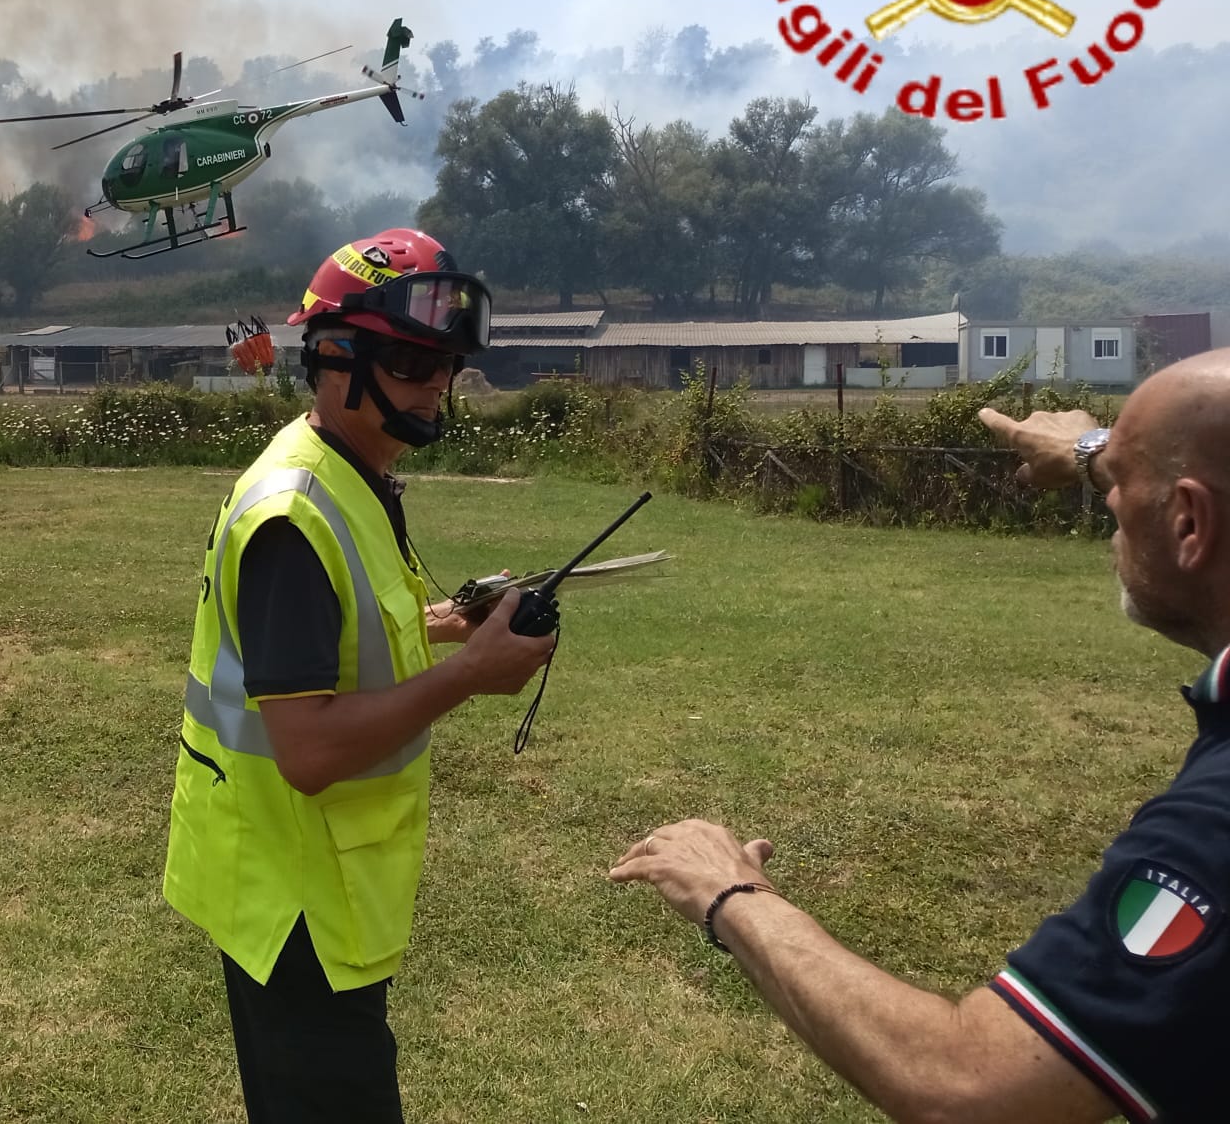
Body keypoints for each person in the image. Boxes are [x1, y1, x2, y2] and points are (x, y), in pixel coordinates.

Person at [610, 349, 1230, 1124]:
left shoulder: (1216, 826)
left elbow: (969, 1086)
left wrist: (728, 891)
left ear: (1189, 522)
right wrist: (1086, 449)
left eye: (1118, 486)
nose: (1105, 502)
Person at [163, 228, 557, 1122]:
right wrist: (471, 676)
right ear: (336, 359)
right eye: (414, 363)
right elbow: (305, 749)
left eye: (448, 366)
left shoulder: (348, 471)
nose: (438, 386)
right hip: (295, 902)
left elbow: (336, 640)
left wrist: (456, 625)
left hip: (305, 882)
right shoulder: (296, 515)